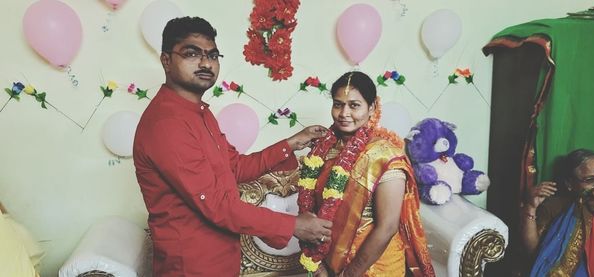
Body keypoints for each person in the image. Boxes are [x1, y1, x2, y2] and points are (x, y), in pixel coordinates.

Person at [133, 17, 333, 276]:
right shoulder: (166, 124)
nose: (206, 63)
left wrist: (291, 144)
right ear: (166, 60)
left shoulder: (200, 113)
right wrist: (293, 225)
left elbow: (234, 167)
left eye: (213, 55)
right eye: (192, 53)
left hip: (222, 257)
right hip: (191, 265)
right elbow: (216, 204)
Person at [296, 71, 435, 277]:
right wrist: (318, 263)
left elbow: (387, 227)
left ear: (371, 108)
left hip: (373, 268)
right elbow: (314, 209)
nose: (344, 113)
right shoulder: (324, 149)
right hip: (329, 263)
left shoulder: (385, 156)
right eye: (338, 104)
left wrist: (350, 274)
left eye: (354, 105)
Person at [522, 149, 594, 276]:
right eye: (590, 180)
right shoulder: (556, 207)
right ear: (570, 183)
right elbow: (535, 254)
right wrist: (531, 207)